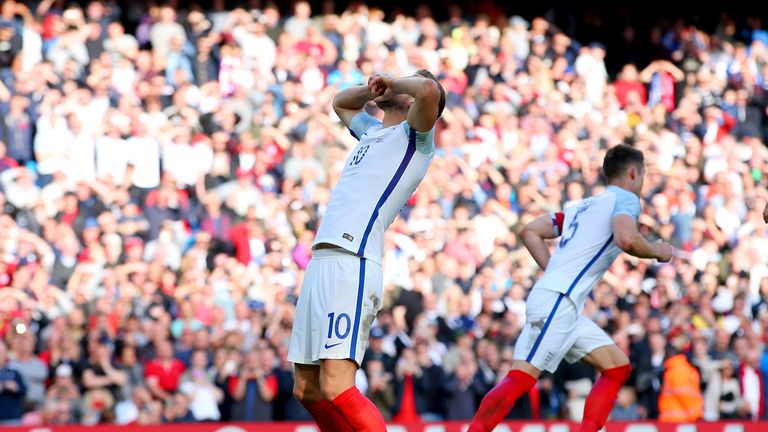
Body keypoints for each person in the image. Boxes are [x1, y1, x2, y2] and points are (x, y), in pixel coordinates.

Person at [469, 145, 675, 432]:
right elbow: (626, 238)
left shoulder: (581, 207)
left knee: (617, 367)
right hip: (559, 300)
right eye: (643, 175)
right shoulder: (626, 199)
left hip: (561, 302)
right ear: (632, 173)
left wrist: (552, 271)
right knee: (521, 378)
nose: (642, 182)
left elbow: (530, 231)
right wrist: (656, 250)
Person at [288, 70, 445, 432]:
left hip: (354, 259)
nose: (401, 82)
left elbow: (426, 89)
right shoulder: (372, 131)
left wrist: (394, 83)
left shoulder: (416, 138)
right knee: (308, 390)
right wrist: (371, 90)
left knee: (338, 387)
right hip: (323, 258)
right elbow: (340, 102)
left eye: (408, 81)